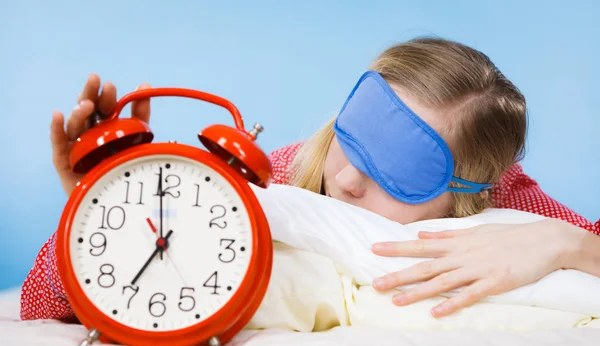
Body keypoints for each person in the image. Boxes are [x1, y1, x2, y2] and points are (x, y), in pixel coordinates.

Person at [20, 37, 599, 323]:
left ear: (472, 194)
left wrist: (567, 243)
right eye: (351, 136)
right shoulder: (288, 172)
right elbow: (39, 305)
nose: (344, 178)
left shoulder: (510, 200)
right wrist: (100, 195)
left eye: (395, 172)